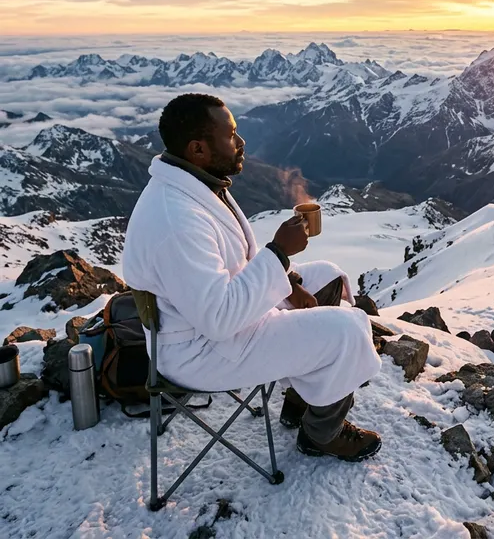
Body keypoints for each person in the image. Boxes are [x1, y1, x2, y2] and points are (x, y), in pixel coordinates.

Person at [122, 93, 382, 462]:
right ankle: (322, 433)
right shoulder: (176, 220)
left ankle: (301, 401)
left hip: (215, 321)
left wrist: (288, 280)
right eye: (230, 135)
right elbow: (219, 319)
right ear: (197, 148)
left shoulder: (195, 184)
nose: (241, 143)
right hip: (201, 351)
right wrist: (278, 253)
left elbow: (229, 271)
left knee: (326, 277)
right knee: (348, 329)